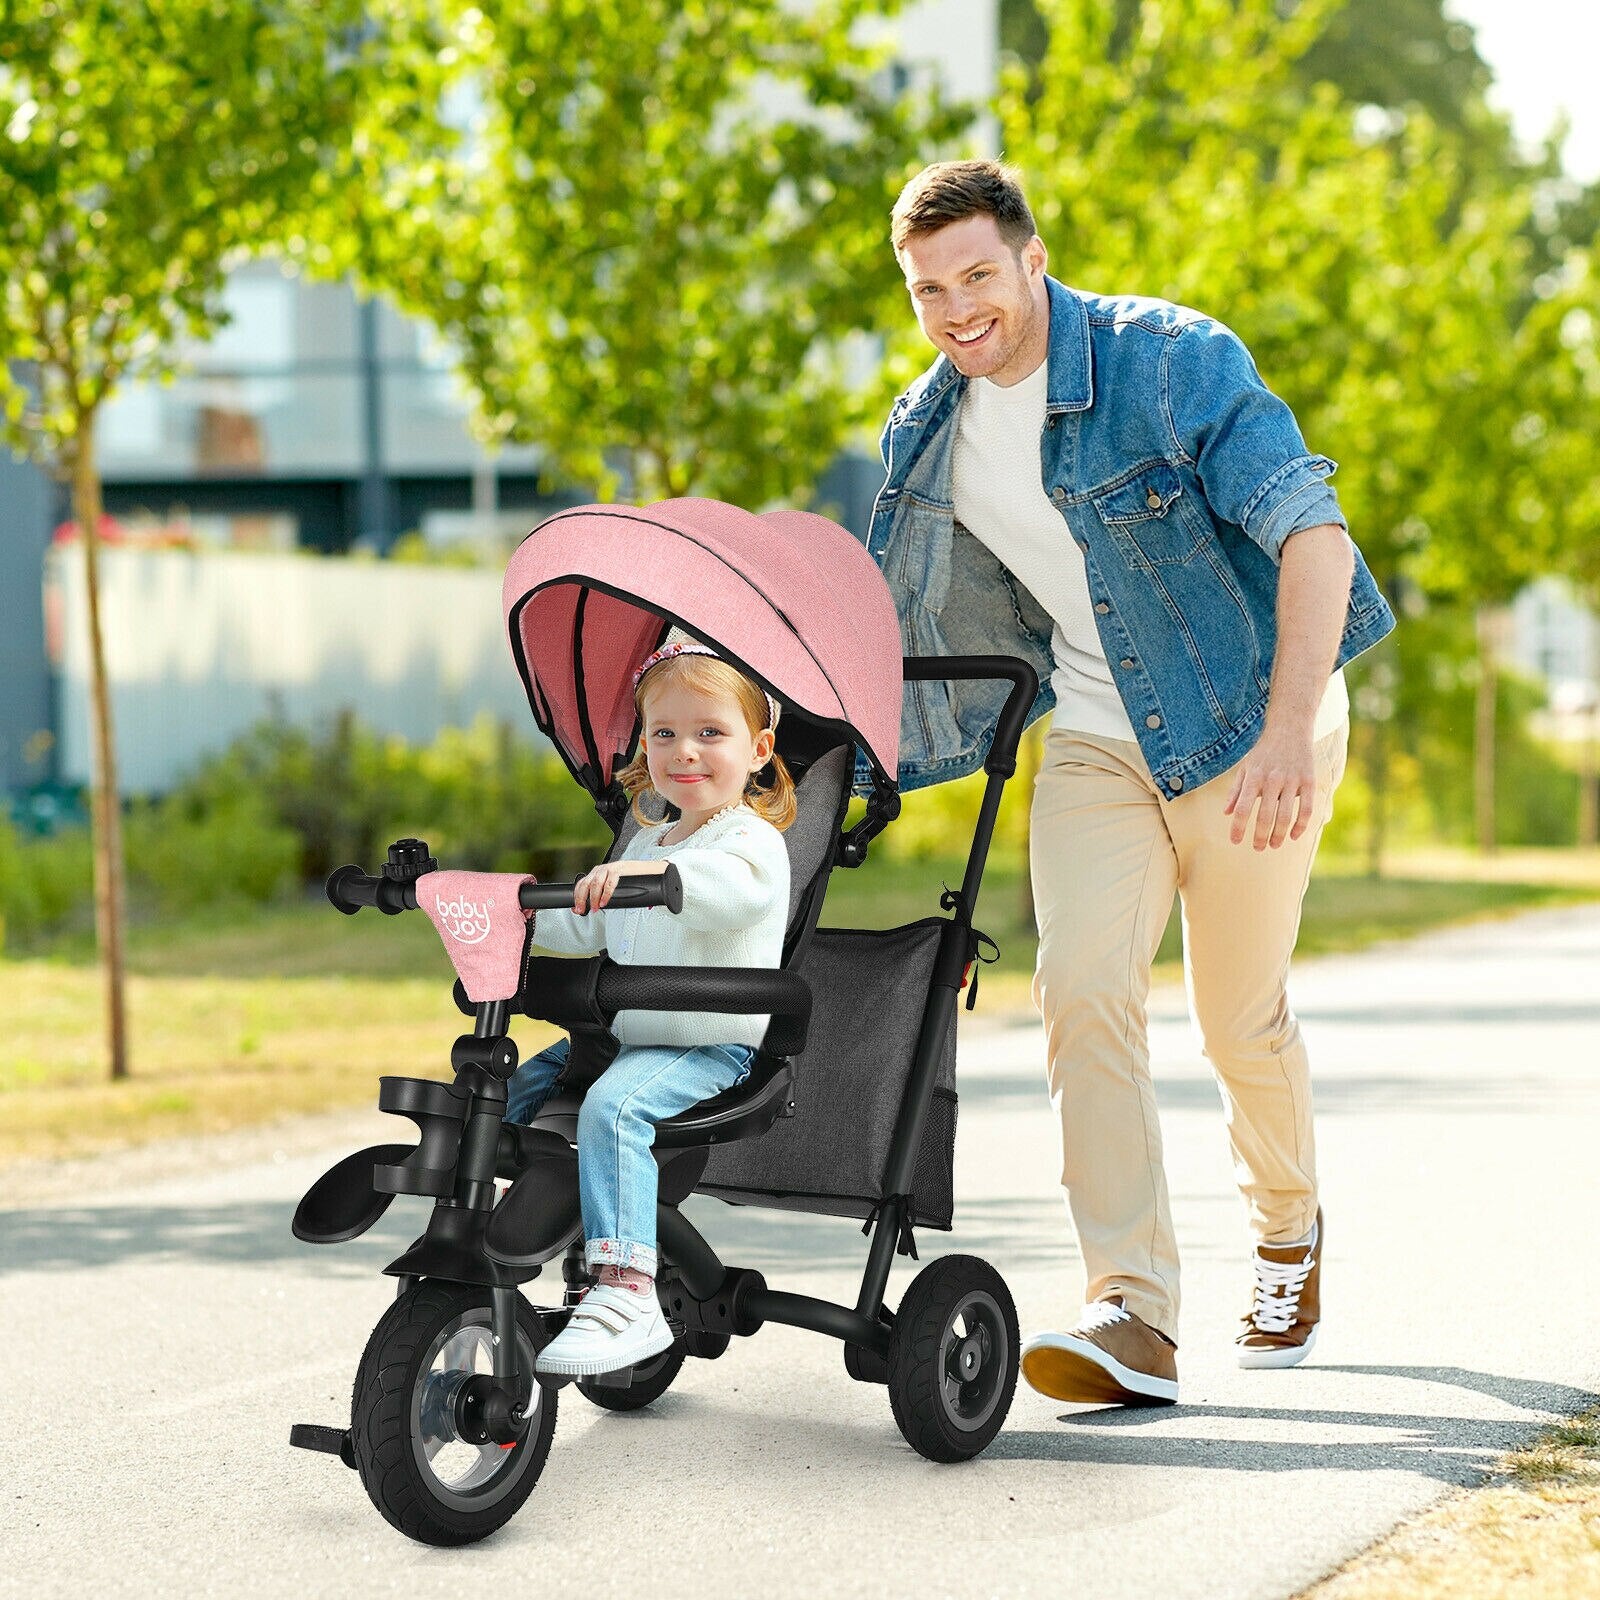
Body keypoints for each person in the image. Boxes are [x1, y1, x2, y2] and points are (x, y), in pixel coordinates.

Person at [864, 159, 1396, 1405]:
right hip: (1100, 734)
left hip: (1250, 720)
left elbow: (1315, 536)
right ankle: (1132, 1311)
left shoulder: (1168, 362)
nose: (956, 311)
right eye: (927, 290)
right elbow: (895, 613)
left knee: (1232, 1016)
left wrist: (1281, 733)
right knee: (1082, 992)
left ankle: (1284, 1227)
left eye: (978, 276)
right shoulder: (922, 429)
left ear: (1034, 259)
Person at [505, 640, 794, 1377]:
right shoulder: (650, 837)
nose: (684, 752)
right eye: (664, 733)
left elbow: (732, 894)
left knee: (612, 1110)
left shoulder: (749, 843)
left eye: (710, 733)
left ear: (758, 749)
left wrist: (653, 873)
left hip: (708, 1045)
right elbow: (589, 921)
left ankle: (627, 1290)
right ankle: (512, 1220)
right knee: (496, 1094)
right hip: (627, 1041)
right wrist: (514, 914)